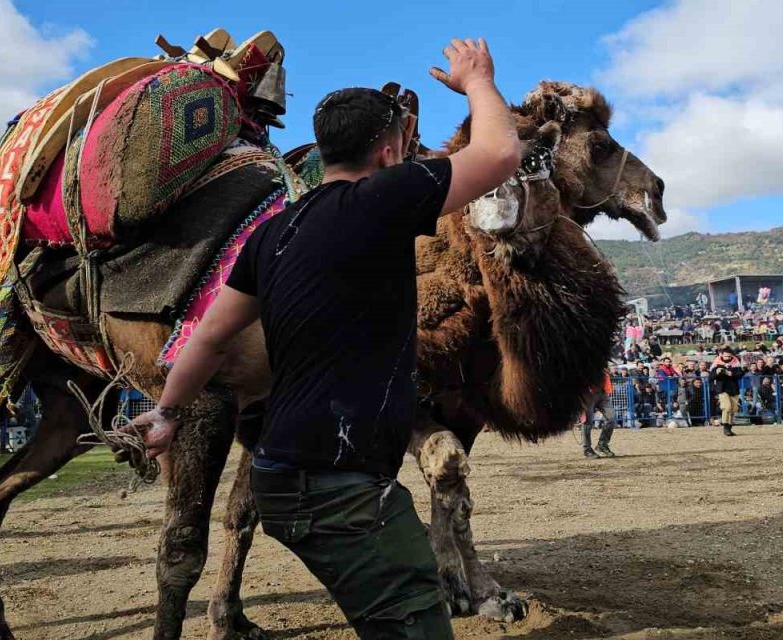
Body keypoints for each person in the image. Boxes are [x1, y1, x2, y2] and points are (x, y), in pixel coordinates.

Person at [124, 38, 520, 638]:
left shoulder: (273, 233)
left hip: (281, 477)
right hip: (340, 485)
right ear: (390, 151)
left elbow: (207, 337)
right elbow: (497, 153)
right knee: (416, 622)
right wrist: (478, 80)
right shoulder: (384, 198)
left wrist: (166, 411)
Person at [579, 367, 615, 458]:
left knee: (611, 419)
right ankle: (587, 449)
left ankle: (602, 445)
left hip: (603, 393)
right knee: (587, 422)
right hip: (588, 394)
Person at [709, 346, 745, 436]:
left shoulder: (736, 363)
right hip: (722, 388)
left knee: (733, 409)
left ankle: (729, 428)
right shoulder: (717, 364)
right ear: (722, 355)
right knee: (727, 407)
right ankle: (725, 427)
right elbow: (711, 377)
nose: (728, 358)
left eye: (729, 356)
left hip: (734, 389)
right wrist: (717, 372)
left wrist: (731, 374)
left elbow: (740, 374)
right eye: (726, 356)